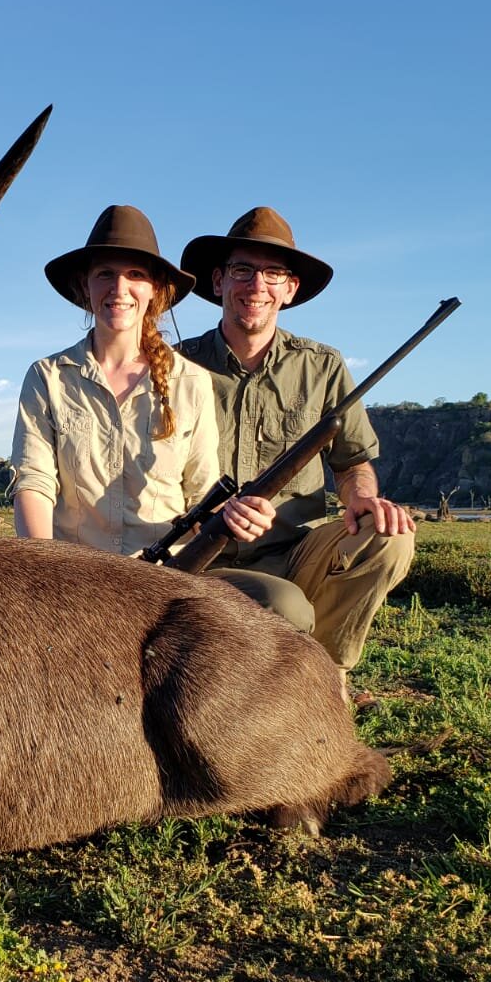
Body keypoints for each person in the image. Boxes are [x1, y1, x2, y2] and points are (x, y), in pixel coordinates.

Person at [9, 205, 313, 627]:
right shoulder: (48, 377)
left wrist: (234, 515)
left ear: (155, 289)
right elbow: (34, 482)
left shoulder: (190, 381)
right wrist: (44, 573)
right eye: (105, 274)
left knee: (282, 604)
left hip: (167, 580)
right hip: (73, 577)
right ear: (85, 285)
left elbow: (203, 492)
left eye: (135, 275)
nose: (119, 287)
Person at [175, 207, 415, 682]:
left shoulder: (324, 366)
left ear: (290, 289)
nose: (256, 285)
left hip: (295, 550)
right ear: (219, 281)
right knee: (283, 609)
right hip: (201, 553)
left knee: (391, 536)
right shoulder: (175, 366)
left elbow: (352, 462)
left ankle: (327, 680)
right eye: (243, 270)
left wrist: (361, 498)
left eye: (273, 273)